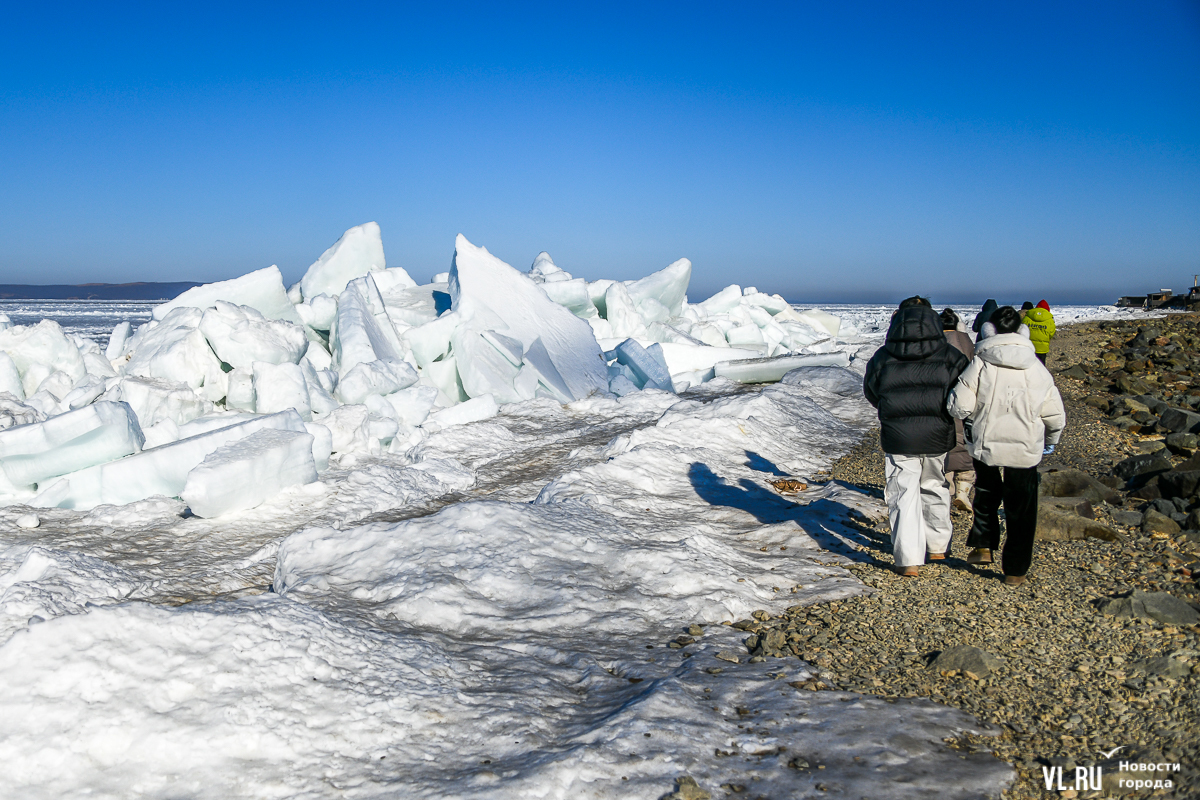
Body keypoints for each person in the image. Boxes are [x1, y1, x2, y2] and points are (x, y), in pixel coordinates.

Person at [947, 306, 1066, 586]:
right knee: (1022, 507)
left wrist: (968, 417)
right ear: (1022, 332)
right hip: (1025, 448)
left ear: (989, 331)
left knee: (987, 494)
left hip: (986, 444)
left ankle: (984, 545)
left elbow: (960, 405)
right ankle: (1015, 570)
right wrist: (1050, 442)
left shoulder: (981, 363)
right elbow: (1055, 415)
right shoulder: (1037, 368)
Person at [864, 297, 970, 577]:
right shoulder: (950, 356)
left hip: (899, 436)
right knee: (934, 485)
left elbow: (872, 392)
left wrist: (892, 411)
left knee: (903, 492)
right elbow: (962, 392)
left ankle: (909, 558)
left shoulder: (882, 356)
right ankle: (937, 546)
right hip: (938, 432)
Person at [940, 309, 975, 514]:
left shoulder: (935, 345)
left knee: (947, 447)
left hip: (944, 402)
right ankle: (963, 491)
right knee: (967, 445)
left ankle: (947, 490)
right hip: (968, 402)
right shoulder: (967, 341)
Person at [1022, 299, 1056, 365]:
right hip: (1042, 348)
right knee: (1041, 366)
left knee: (1029, 365)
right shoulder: (1049, 319)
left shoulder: (1028, 316)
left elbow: (1022, 329)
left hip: (1029, 346)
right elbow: (1051, 332)